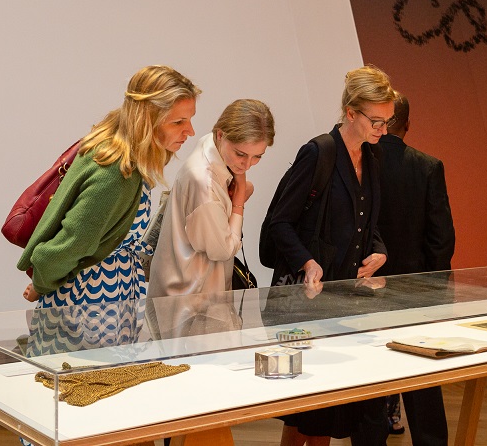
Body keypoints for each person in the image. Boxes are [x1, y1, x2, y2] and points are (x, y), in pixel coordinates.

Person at [268, 65, 396, 445]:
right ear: (351, 113)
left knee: (327, 413)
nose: (383, 131)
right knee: (306, 413)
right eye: (376, 121)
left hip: (347, 304)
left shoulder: (372, 158)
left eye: (387, 122)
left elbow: (367, 223)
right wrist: (307, 261)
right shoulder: (318, 153)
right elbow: (279, 223)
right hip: (308, 304)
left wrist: (379, 252)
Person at [18, 65, 200, 307]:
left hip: (109, 294)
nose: (190, 131)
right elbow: (68, 246)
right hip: (92, 302)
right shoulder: (117, 173)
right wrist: (42, 285)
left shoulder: (122, 155)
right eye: (178, 122)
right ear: (147, 120)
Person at [375, 91, 454, 445]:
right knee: (423, 377)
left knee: (371, 377)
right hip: (416, 291)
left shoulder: (359, 164)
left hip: (366, 289)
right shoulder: (428, 166)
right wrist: (436, 290)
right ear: (407, 124)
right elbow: (441, 238)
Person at [148, 99, 274, 299]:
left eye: (258, 156)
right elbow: (223, 250)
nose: (248, 165)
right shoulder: (203, 182)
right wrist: (239, 198)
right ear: (221, 134)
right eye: (241, 154)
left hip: (193, 294)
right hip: (190, 301)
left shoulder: (211, 146)